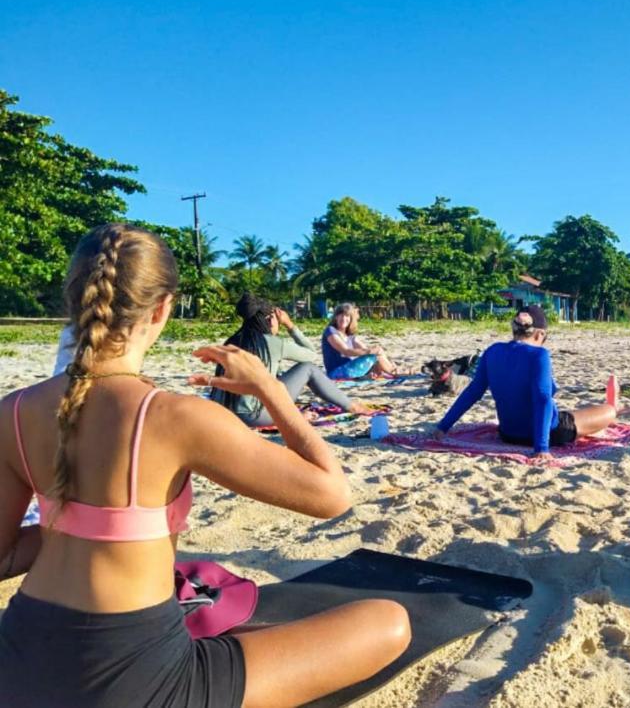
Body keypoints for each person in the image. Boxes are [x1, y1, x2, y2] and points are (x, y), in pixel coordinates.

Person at [0, 223, 410, 708]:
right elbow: (331, 495)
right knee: (389, 623)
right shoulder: (175, 416)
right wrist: (271, 391)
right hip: (138, 676)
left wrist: (72, 525)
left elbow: (4, 557)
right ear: (162, 309)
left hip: (19, 657)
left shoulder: (14, 409)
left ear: (73, 301)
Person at [433, 305, 616, 459]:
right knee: (608, 411)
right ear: (539, 334)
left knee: (569, 413)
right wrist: (541, 448)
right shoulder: (539, 355)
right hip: (548, 433)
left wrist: (443, 427)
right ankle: (615, 405)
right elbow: (542, 399)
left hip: (508, 433)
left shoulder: (492, 351)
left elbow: (472, 392)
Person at [209, 294, 372, 427]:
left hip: (225, 414)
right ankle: (351, 406)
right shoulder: (272, 342)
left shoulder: (232, 341)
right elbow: (311, 354)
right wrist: (289, 325)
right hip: (254, 416)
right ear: (269, 320)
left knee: (275, 376)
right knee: (308, 368)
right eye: (275, 319)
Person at [321, 303, 401, 380]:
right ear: (336, 317)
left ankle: (391, 370)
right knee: (375, 355)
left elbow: (365, 349)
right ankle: (394, 372)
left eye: (347, 316)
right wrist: (370, 351)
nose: (344, 318)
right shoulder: (331, 331)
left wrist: (375, 351)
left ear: (350, 319)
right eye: (341, 315)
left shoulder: (350, 336)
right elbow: (346, 351)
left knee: (377, 354)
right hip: (336, 372)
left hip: (349, 369)